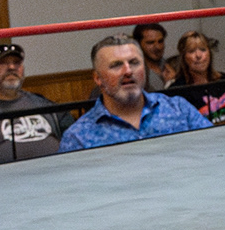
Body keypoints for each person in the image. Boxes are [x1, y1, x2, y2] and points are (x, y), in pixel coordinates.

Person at [60, 35, 213, 151]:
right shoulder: (79, 137)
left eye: (134, 63)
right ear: (97, 78)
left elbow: (215, 149)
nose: (128, 71)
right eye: (116, 65)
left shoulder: (179, 110)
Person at [131, 22, 171, 92]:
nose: (157, 47)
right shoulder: (133, 71)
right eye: (150, 42)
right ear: (138, 44)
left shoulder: (172, 65)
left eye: (160, 41)